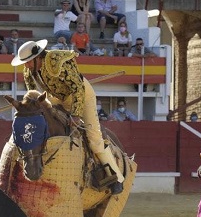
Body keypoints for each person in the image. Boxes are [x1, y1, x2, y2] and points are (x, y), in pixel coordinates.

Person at [11, 39, 125, 195]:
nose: (26, 65)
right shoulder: (28, 71)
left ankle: (115, 177)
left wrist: (76, 115)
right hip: (56, 97)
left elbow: (78, 87)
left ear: (38, 57)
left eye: (28, 62)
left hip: (80, 95)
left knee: (94, 139)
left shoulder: (58, 61)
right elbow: (34, 96)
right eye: (24, 62)